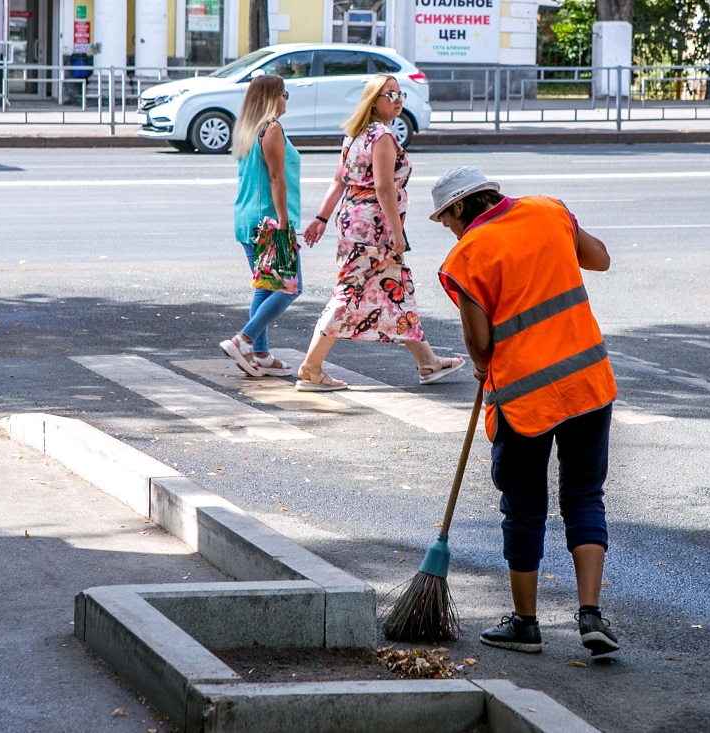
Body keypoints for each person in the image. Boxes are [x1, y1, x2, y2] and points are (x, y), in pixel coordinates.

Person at [432, 166, 619, 656]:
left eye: (446, 220)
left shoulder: (466, 254)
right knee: (584, 495)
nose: (449, 230)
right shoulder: (548, 210)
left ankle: (526, 624)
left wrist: (479, 364)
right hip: (586, 382)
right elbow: (598, 259)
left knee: (524, 508)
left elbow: (480, 344)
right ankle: (590, 613)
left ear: (458, 207)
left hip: (524, 398)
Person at [298, 75, 464, 392]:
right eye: (390, 94)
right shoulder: (383, 136)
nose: (397, 99)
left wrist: (321, 217)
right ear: (374, 100)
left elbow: (339, 182)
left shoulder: (356, 135)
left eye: (400, 94)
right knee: (349, 292)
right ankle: (311, 367)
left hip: (353, 222)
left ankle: (427, 361)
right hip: (374, 228)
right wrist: (397, 233)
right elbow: (383, 187)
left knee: (395, 288)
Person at [218, 74, 301, 378]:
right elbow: (276, 178)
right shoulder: (272, 128)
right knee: (291, 287)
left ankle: (261, 354)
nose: (286, 99)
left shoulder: (249, 129)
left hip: (247, 218)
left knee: (265, 288)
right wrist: (283, 222)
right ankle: (245, 339)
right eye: (284, 93)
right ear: (272, 97)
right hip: (269, 220)